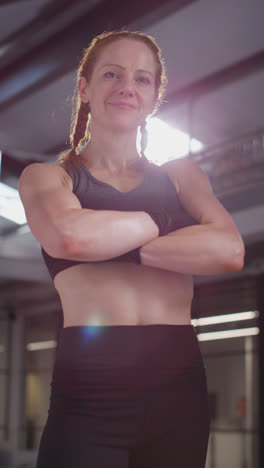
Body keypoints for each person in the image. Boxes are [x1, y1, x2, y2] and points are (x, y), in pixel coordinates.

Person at [18, 30, 245, 468]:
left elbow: (229, 250)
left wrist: (116, 241)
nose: (127, 87)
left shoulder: (182, 175)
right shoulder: (49, 178)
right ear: (84, 88)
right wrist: (166, 225)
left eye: (142, 79)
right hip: (88, 396)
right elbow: (71, 238)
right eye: (112, 74)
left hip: (178, 394)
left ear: (155, 95)